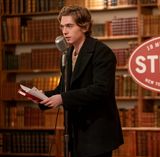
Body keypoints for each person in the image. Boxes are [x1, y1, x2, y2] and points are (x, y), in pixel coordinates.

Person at [39, 5, 124, 157]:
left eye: (69, 26)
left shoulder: (101, 52)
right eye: (62, 27)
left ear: (84, 27)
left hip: (96, 132)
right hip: (76, 132)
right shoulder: (67, 53)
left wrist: (63, 98)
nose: (64, 31)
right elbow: (63, 88)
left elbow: (101, 90)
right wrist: (41, 97)